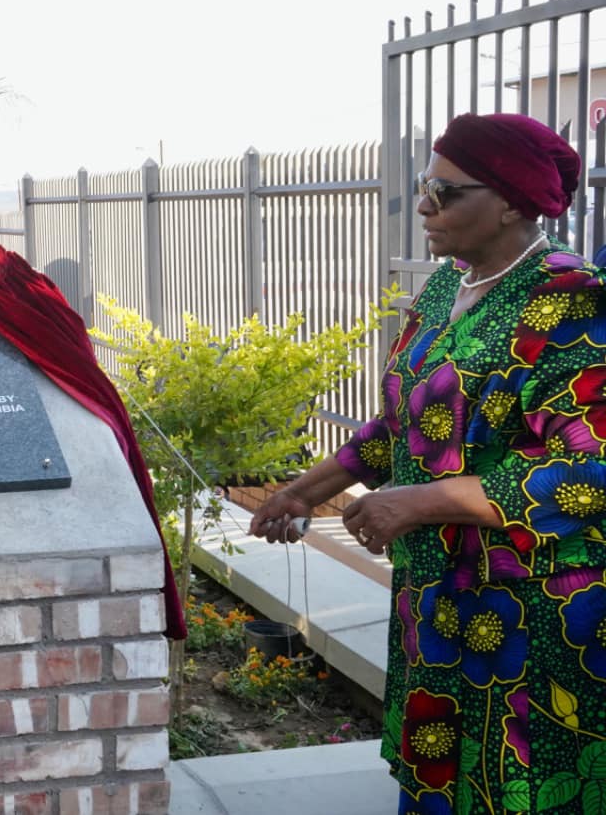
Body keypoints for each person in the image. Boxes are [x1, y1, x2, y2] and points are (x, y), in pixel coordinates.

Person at [249, 112, 596, 815]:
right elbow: (407, 422)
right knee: (439, 777)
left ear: (511, 203)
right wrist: (304, 491)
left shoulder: (572, 299)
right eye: (422, 187)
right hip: (436, 593)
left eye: (445, 192)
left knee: (516, 785)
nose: (424, 207)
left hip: (530, 606)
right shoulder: (446, 288)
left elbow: (588, 470)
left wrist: (417, 502)